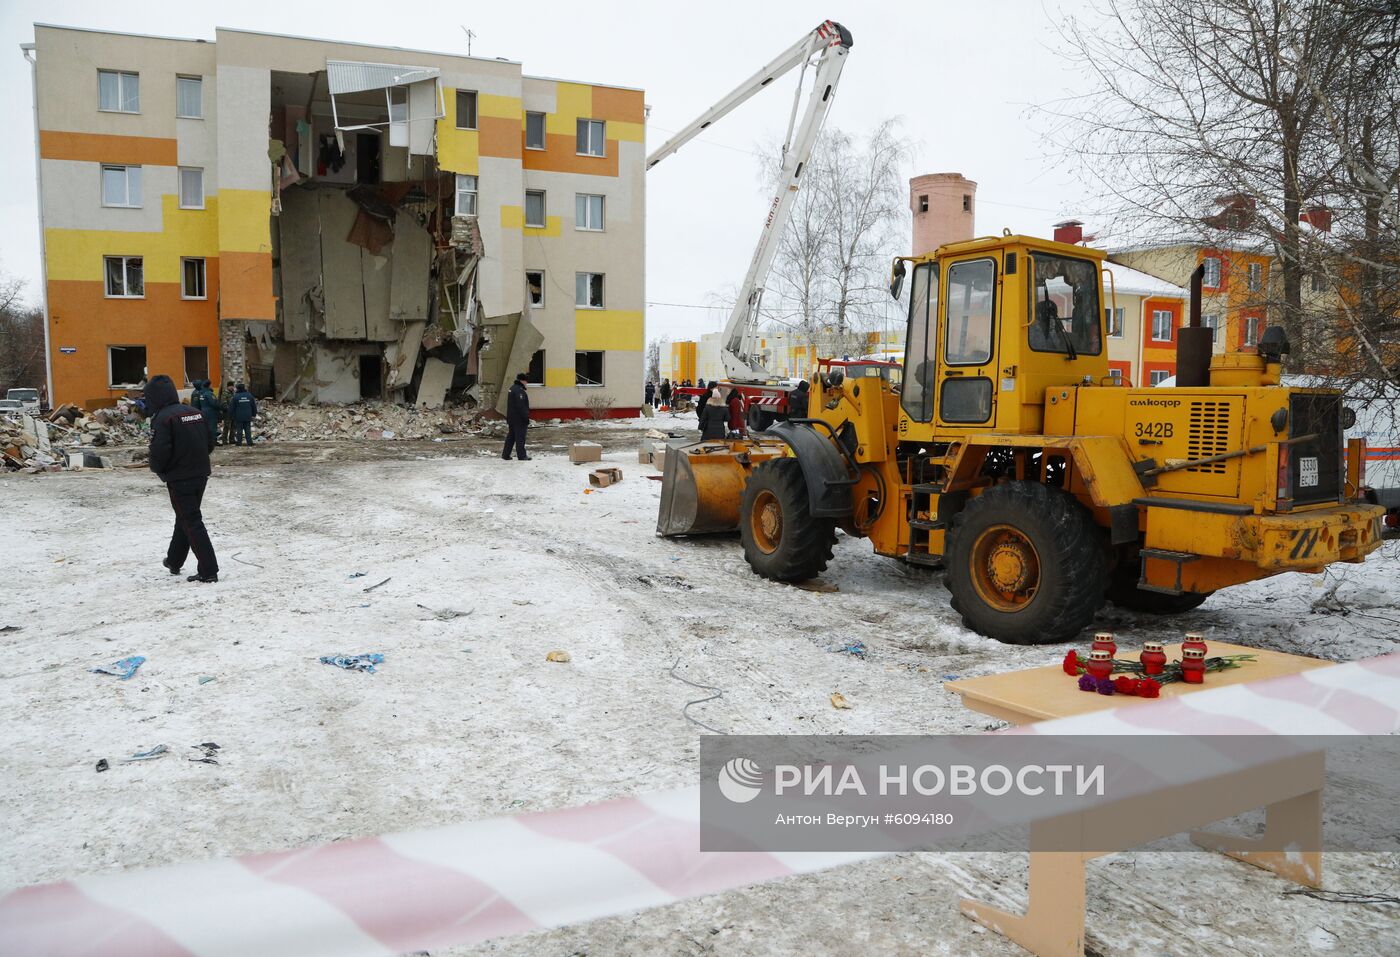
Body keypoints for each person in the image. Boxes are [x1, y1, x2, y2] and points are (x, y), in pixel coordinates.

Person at [145, 374, 218, 583]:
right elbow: (210, 443)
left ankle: (208, 569)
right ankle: (174, 560)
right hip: (201, 474)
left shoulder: (163, 418)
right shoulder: (195, 413)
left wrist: (158, 469)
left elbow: (160, 451)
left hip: (179, 478)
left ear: (155, 398)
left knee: (191, 521)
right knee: (185, 518)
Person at [502, 372, 531, 460]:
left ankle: (506, 454)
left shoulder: (512, 388)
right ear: (522, 381)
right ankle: (522, 455)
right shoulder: (519, 391)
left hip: (511, 418)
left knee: (511, 437)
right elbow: (521, 406)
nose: (527, 383)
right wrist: (526, 418)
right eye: (526, 381)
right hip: (519, 419)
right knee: (520, 437)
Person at [193, 380, 220, 446]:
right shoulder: (208, 393)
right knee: (212, 428)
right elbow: (214, 403)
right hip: (211, 413)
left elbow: (197, 404)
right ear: (209, 385)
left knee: (206, 428)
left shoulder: (200, 393)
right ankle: (213, 441)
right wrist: (221, 407)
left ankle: (207, 441)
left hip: (203, 412)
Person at [218, 381, 236, 445]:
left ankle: (232, 439)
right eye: (232, 386)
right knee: (227, 427)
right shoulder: (225, 393)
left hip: (233, 413)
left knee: (233, 426)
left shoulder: (233, 393)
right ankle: (224, 440)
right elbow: (223, 403)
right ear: (228, 386)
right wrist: (229, 410)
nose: (233, 387)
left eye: (233, 386)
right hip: (227, 413)